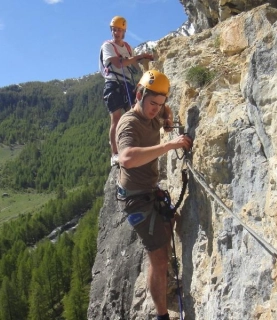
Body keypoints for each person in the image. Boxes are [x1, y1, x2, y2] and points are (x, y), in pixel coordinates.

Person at [116, 70, 192, 320]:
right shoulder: (129, 123)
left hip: (147, 191)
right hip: (136, 198)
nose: (155, 109)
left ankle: (162, 279)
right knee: (158, 259)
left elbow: (164, 112)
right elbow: (126, 158)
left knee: (168, 225)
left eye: (160, 104)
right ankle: (161, 315)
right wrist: (169, 145)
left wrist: (167, 116)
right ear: (139, 95)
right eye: (152, 103)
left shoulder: (154, 111)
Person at [99, 16, 153, 166]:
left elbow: (134, 65)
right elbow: (118, 63)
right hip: (113, 84)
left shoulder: (128, 48)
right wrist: (139, 57)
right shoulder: (108, 46)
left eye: (119, 30)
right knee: (116, 119)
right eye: (114, 29)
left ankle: (134, 146)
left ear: (124, 31)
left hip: (127, 84)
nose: (116, 32)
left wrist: (145, 60)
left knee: (133, 115)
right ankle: (115, 154)